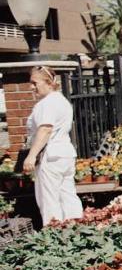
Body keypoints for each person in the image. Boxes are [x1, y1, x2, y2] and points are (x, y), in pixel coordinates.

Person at [23, 65, 84, 225]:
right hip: (64, 154)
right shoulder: (61, 100)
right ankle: (77, 231)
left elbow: (45, 129)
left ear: (49, 82)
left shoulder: (47, 103)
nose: (32, 87)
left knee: (49, 200)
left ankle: (52, 237)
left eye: (35, 83)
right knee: (68, 195)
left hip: (50, 157)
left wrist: (31, 155)